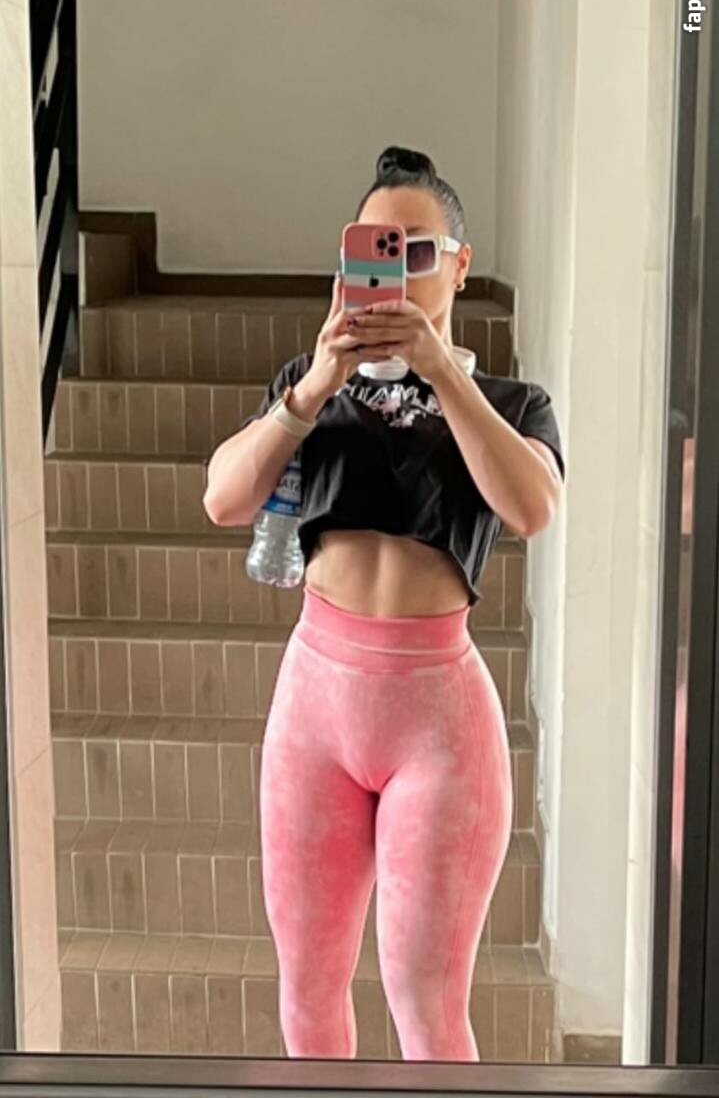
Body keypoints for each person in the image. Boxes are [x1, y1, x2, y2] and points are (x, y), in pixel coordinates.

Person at [203, 146, 565, 1062]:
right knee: (307, 989)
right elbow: (225, 499)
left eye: (419, 251)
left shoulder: (511, 401)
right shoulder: (307, 383)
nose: (397, 271)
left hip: (438, 719)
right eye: (376, 248)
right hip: (314, 705)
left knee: (427, 1003)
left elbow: (532, 508)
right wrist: (314, 386)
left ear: (460, 264)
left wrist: (442, 371)